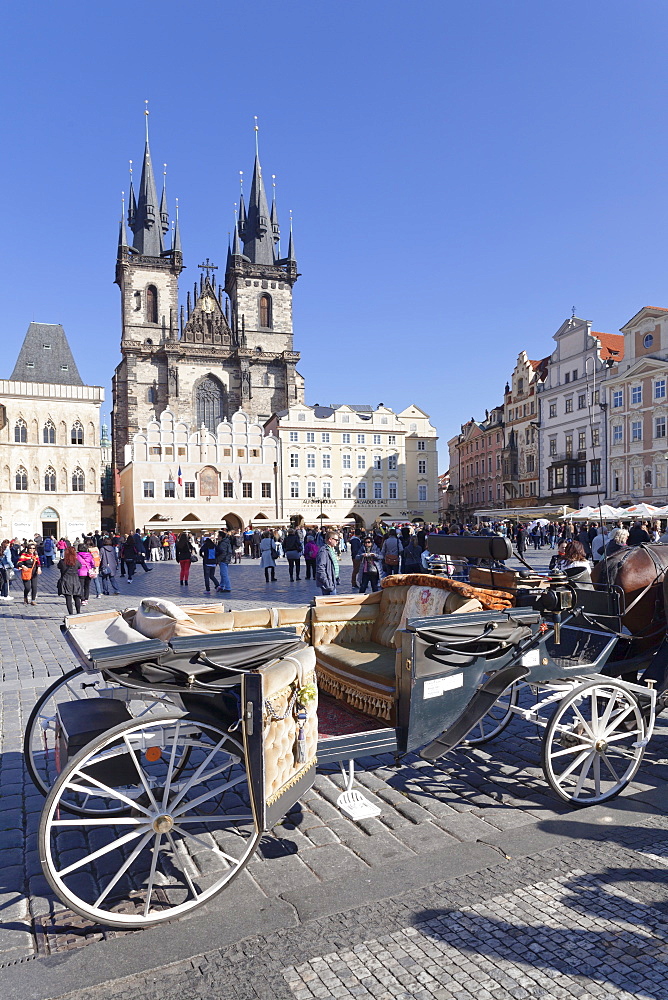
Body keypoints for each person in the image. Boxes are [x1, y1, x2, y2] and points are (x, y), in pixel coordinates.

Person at [59, 545, 85, 614]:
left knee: (68, 599)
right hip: (75, 580)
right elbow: (80, 566)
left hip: (66, 580)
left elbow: (59, 566)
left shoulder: (62, 562)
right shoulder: (76, 562)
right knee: (77, 598)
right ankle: (78, 612)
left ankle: (70, 614)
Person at [316, 530, 340, 595]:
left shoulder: (331, 550)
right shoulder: (323, 551)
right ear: (330, 539)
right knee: (331, 603)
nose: (337, 542)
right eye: (336, 540)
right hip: (328, 583)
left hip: (332, 581)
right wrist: (326, 582)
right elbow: (320, 568)